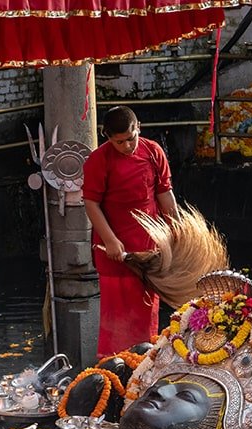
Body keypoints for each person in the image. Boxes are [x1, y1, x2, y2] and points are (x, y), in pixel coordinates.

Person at [82, 106, 178, 358]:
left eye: (131, 138)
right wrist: (110, 240)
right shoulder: (98, 160)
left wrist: (177, 231)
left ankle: (144, 363)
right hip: (114, 252)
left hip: (149, 249)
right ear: (107, 137)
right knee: (116, 316)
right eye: (119, 142)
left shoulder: (153, 151)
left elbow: (165, 194)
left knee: (147, 314)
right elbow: (91, 204)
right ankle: (114, 367)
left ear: (139, 128)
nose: (127, 146)